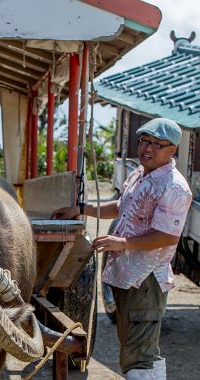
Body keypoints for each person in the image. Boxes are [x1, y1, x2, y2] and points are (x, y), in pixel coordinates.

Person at [52, 118, 192, 379]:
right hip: (127, 275)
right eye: (144, 141)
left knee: (139, 356)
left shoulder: (173, 186)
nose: (147, 149)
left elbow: (168, 236)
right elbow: (121, 206)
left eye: (157, 144)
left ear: (172, 150)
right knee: (135, 347)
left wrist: (123, 243)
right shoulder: (140, 174)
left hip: (145, 278)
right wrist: (82, 210)